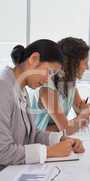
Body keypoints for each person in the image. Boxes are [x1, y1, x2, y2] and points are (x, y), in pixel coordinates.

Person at [0, 39, 85, 171]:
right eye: (49, 72)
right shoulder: (3, 87)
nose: (47, 80)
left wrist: (61, 140)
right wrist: (48, 152)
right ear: (34, 59)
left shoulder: (21, 89)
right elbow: (3, 152)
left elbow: (32, 135)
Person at [30, 37, 90, 135]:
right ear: (73, 64)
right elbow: (66, 129)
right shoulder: (47, 88)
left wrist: (81, 116)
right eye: (85, 63)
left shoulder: (70, 86)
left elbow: (83, 121)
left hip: (52, 141)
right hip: (36, 144)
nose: (87, 67)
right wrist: (82, 116)